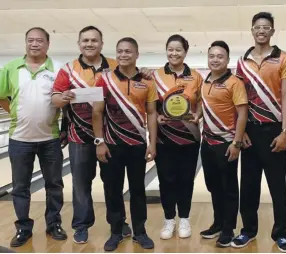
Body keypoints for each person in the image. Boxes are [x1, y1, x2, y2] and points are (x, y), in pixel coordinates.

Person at [51, 26, 132, 244]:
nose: (90, 44)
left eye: (94, 40)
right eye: (85, 40)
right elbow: (55, 99)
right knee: (81, 183)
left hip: (112, 136)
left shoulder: (115, 66)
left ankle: (118, 222)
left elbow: (132, 88)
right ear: (79, 44)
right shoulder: (68, 69)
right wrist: (64, 97)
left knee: (113, 183)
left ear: (101, 43)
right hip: (78, 136)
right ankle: (81, 225)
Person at [233, 12, 286, 252]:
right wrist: (241, 133)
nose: (261, 30)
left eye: (266, 27)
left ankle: (280, 233)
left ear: (272, 31)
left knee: (277, 186)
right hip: (250, 131)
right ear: (252, 31)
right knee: (248, 185)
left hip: (273, 131)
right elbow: (238, 101)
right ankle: (248, 230)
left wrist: (284, 131)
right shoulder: (242, 62)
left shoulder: (283, 59)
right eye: (257, 27)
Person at [0, 27, 67, 247]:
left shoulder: (58, 69)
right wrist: (15, 114)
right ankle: (23, 228)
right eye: (30, 40)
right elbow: (1, 96)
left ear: (48, 44)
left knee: (54, 184)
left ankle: (53, 224)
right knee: (20, 187)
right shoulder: (11, 68)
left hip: (50, 139)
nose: (34, 44)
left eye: (39, 40)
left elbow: (64, 99)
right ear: (26, 43)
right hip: (19, 139)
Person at [92, 37, 157, 251]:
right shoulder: (104, 79)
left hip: (137, 144)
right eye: (119, 51)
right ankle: (116, 231)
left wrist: (152, 143)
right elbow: (97, 112)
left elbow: (151, 113)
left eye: (128, 51)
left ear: (137, 54)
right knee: (113, 190)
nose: (123, 55)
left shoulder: (147, 81)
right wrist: (99, 142)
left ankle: (140, 231)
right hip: (111, 145)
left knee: (138, 190)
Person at [153, 34, 203, 240]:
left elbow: (201, 102)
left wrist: (197, 116)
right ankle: (168, 219)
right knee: (166, 179)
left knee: (185, 179)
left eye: (178, 50)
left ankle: (184, 218)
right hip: (163, 137)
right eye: (170, 49)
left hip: (189, 136)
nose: (174, 53)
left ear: (185, 52)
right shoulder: (155, 76)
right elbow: (149, 106)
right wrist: (157, 117)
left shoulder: (196, 77)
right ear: (166, 50)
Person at [199, 41, 248, 248]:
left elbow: (242, 112)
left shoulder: (234, 82)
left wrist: (236, 143)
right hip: (207, 142)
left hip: (226, 143)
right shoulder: (206, 79)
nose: (215, 59)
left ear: (227, 60)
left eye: (220, 56)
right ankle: (218, 223)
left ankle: (228, 229)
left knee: (228, 188)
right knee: (213, 186)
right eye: (212, 56)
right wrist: (196, 115)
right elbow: (205, 105)